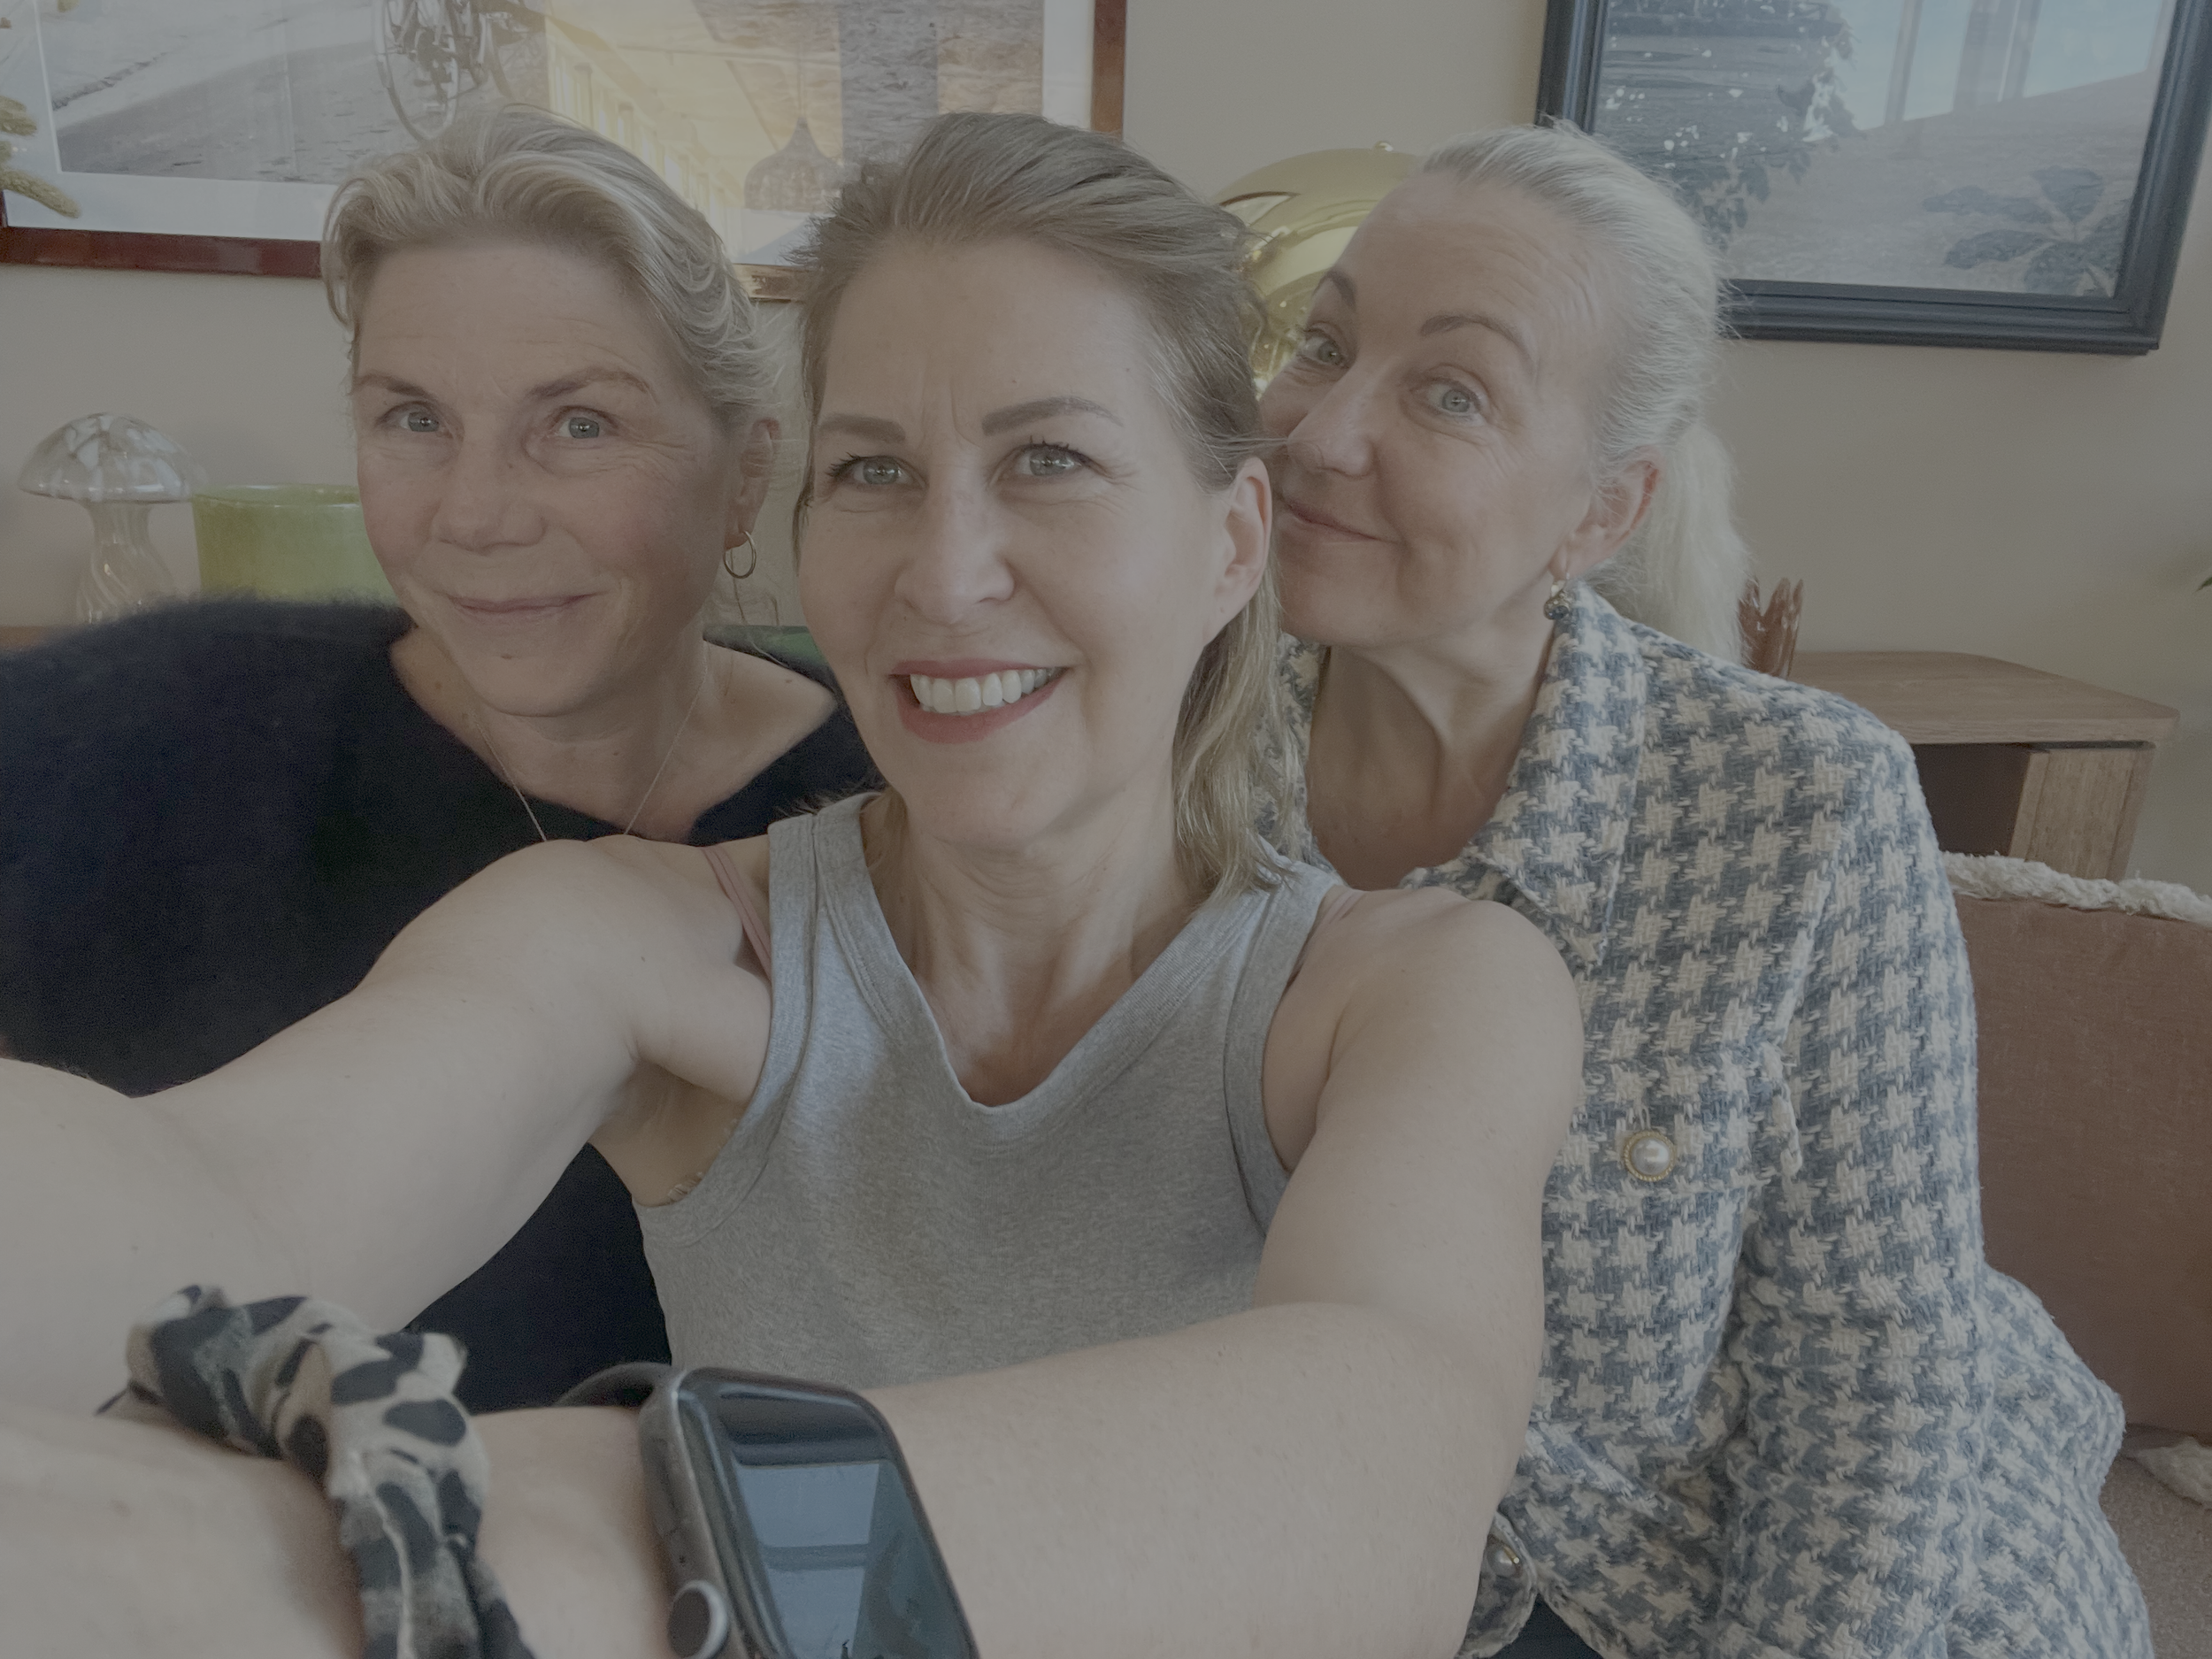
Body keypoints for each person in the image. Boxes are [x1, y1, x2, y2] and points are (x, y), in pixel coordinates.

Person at [0, 112, 1582, 1659]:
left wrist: (499, 1540)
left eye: (1048, 458)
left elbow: (1386, 1462)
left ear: (1234, 539)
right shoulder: (653, 939)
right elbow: (218, 1192)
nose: (944, 573)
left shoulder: (1420, 993)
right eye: (877, 470)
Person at [1260, 121, 2147, 1658]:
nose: (1325, 433)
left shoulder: (1804, 802)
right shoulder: (1176, 767)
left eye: (1450, 392)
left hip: (1714, 1567)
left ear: (1602, 515)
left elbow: (1872, 1373)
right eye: (1322, 343)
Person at [0, 109, 873, 1412]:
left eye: (577, 426)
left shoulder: (900, 808)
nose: (474, 513)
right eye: (414, 418)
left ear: (744, 477)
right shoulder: (131, 728)